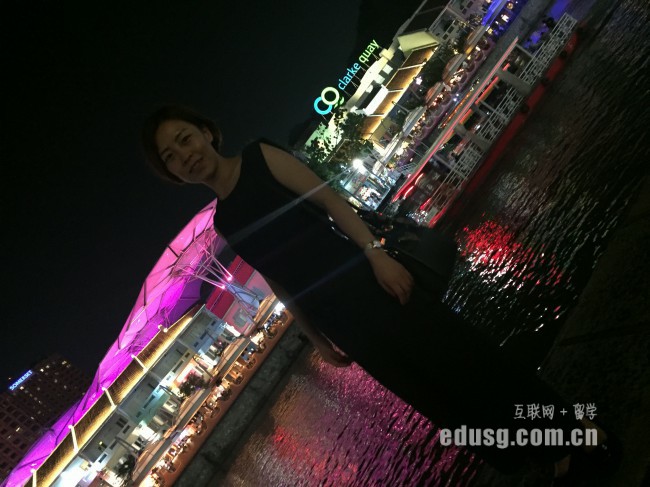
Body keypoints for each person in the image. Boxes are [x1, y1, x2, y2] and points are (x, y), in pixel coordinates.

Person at [141, 104, 617, 481]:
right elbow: (279, 280)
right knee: (435, 394)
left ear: (206, 132)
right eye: (171, 157)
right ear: (173, 174)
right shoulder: (224, 221)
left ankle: (577, 432)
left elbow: (329, 199)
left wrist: (376, 255)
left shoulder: (259, 157)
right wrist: (316, 338)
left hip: (368, 281)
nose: (184, 155)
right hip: (340, 320)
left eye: (184, 138)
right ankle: (543, 454)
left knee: (468, 360)